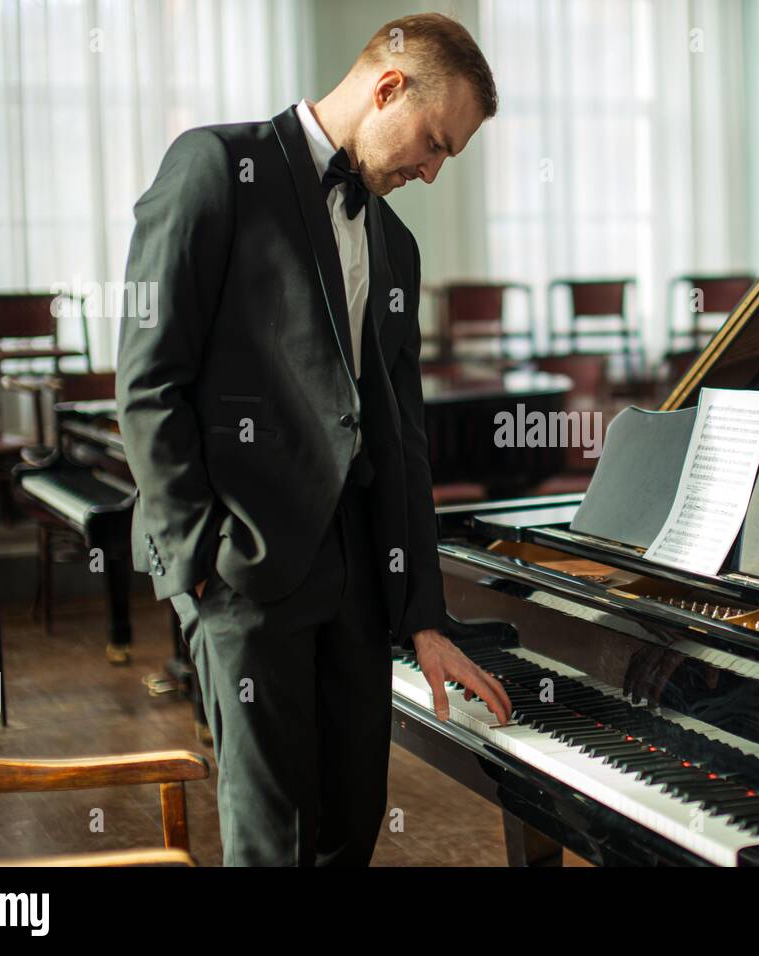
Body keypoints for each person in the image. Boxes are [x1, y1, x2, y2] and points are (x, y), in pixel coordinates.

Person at [115, 12, 512, 867]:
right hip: (245, 577)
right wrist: (202, 567)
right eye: (435, 143)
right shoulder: (214, 168)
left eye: (449, 157)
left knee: (350, 827)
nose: (433, 173)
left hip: (362, 585)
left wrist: (424, 618)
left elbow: (402, 441)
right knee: (273, 842)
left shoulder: (394, 246)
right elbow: (149, 384)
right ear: (388, 87)